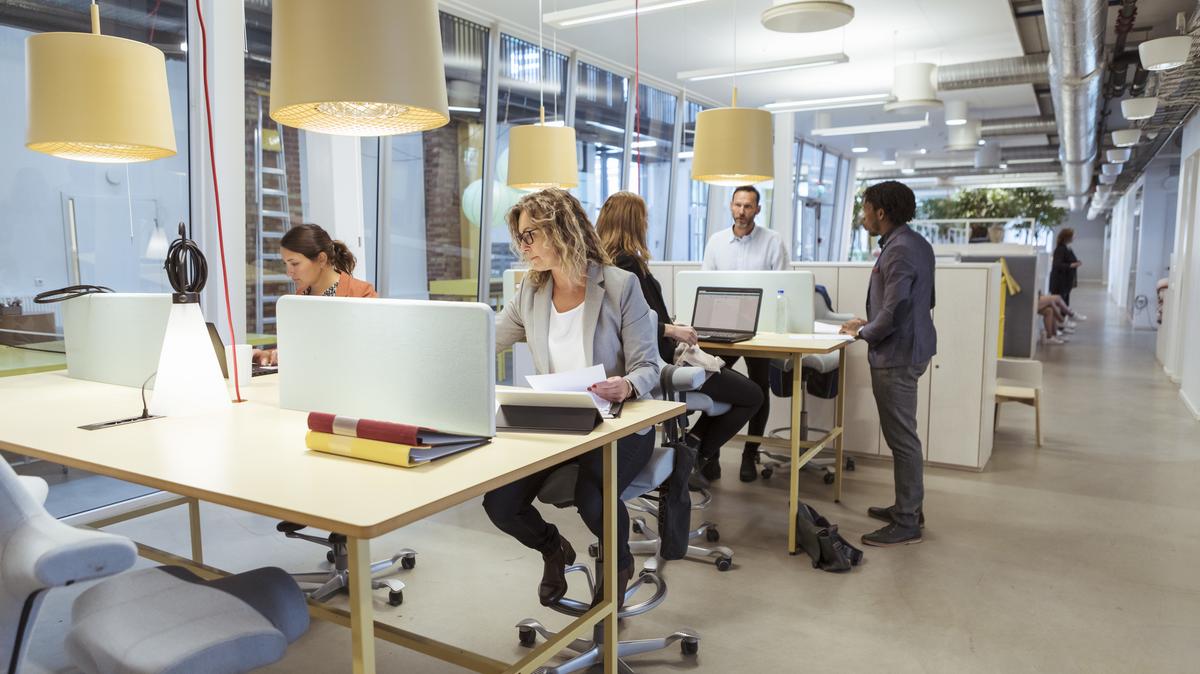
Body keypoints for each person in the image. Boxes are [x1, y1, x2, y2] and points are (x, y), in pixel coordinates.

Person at [488, 188, 660, 609]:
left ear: (561, 230)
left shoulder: (620, 285)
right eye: (520, 236)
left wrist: (627, 385)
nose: (523, 246)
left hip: (620, 423)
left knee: (593, 497)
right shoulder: (531, 292)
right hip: (561, 422)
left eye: (531, 234)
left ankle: (618, 566)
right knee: (500, 503)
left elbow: (650, 367)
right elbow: (484, 340)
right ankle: (553, 548)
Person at [596, 191, 763, 483]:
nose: (647, 224)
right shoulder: (627, 267)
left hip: (647, 363)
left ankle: (694, 451)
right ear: (634, 222)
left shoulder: (604, 265)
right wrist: (673, 330)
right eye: (644, 219)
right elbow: (632, 325)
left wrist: (670, 326)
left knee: (735, 388)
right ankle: (694, 453)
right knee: (753, 395)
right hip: (661, 366)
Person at [839, 181, 935, 547]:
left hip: (897, 355)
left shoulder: (899, 251)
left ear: (881, 212)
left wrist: (864, 334)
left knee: (902, 439)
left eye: (865, 209)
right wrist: (868, 323)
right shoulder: (914, 243)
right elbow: (914, 302)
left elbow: (895, 310)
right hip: (909, 347)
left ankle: (908, 519)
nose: (863, 216)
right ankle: (907, 507)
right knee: (903, 436)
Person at [700, 185, 789, 482]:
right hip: (723, 326)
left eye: (748, 206)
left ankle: (750, 454)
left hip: (760, 330)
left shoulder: (772, 241)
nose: (741, 211)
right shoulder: (716, 242)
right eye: (737, 205)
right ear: (730, 206)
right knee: (714, 382)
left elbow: (785, 287)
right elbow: (705, 285)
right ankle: (710, 453)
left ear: (758, 209)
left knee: (759, 389)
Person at [254, 223, 377, 366]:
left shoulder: (363, 294)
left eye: (294, 264)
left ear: (321, 259)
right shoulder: (300, 297)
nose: (289, 273)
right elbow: (297, 346)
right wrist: (270, 355)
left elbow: (368, 353)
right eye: (285, 264)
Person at [1050, 227, 1083, 307]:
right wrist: (1072, 265)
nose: (1074, 237)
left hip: (1065, 281)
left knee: (1065, 301)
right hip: (1060, 281)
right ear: (1067, 237)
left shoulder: (1066, 248)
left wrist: (1076, 263)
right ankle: (1062, 318)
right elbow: (1057, 264)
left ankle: (1064, 318)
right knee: (1061, 302)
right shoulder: (1060, 249)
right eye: (1072, 235)